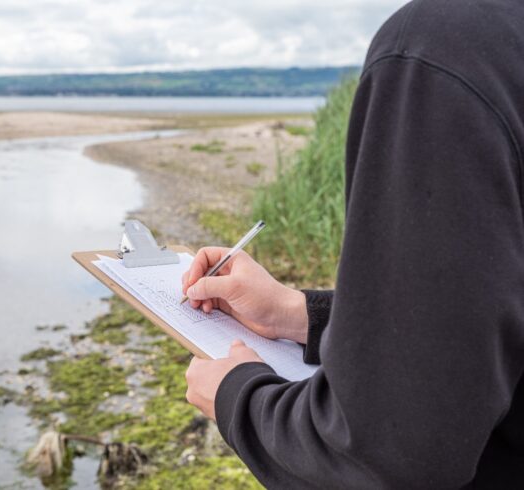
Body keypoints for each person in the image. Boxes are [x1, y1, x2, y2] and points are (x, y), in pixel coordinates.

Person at [181, 0, 524, 487]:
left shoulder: (441, 48)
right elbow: (479, 317)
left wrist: (238, 396)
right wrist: (301, 315)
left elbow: (386, 454)